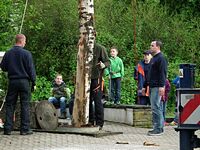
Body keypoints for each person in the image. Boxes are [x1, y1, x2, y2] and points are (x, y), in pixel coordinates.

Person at [0, 34, 36, 135]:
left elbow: (3, 67)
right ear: (21, 41)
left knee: (10, 104)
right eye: (25, 41)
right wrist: (33, 81)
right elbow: (31, 69)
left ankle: (7, 129)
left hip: (13, 81)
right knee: (25, 104)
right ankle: (24, 129)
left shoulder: (8, 53)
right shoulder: (27, 54)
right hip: (24, 82)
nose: (25, 43)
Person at [142, 40, 167, 136]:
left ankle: (158, 128)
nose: (150, 47)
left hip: (157, 86)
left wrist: (162, 86)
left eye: (152, 45)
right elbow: (149, 74)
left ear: (158, 47)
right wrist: (145, 86)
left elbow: (163, 73)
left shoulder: (161, 58)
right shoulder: (153, 59)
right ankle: (158, 127)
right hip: (151, 86)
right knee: (156, 107)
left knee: (156, 107)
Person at [89, 40, 110, 130]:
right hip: (85, 79)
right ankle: (90, 120)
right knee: (87, 101)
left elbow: (108, 62)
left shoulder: (100, 48)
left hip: (96, 78)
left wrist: (103, 65)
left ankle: (99, 123)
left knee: (98, 101)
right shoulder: (82, 48)